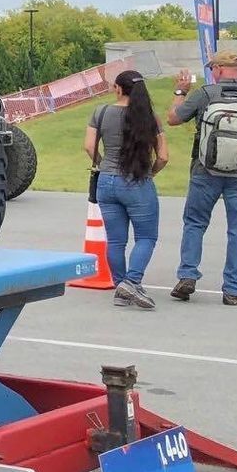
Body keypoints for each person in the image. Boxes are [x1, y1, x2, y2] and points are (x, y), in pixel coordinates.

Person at [165, 49, 237, 305]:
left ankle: (187, 275)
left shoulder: (204, 95)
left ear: (218, 70)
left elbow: (173, 119)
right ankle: (235, 289)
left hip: (204, 172)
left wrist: (180, 91)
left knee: (195, 223)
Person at [84, 69, 170, 308]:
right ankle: (132, 281)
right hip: (137, 180)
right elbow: (163, 156)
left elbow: (89, 147)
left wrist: (103, 164)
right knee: (146, 236)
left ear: (118, 89)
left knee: (115, 240)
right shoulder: (150, 118)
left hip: (106, 181)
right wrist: (151, 172)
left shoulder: (100, 112)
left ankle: (120, 285)